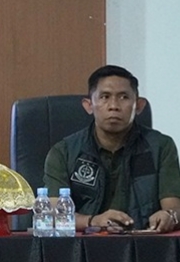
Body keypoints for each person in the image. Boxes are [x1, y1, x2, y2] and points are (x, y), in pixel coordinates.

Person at [43, 65, 180, 232]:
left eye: (124, 97)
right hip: (84, 244)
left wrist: (169, 215)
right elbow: (53, 215)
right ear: (88, 105)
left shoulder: (161, 147)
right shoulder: (63, 152)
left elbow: (173, 206)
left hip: (144, 241)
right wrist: (93, 221)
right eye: (105, 97)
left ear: (139, 105)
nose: (114, 105)